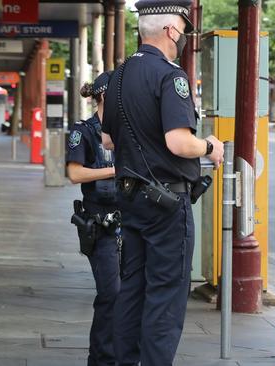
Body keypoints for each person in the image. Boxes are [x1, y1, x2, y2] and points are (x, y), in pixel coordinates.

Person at [101, 1, 224, 365]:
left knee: (132, 291)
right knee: (165, 297)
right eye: (184, 31)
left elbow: (107, 140)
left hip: (129, 199)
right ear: (172, 30)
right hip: (167, 204)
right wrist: (210, 147)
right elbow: (179, 143)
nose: (184, 37)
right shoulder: (172, 77)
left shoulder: (118, 76)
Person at [67, 71, 120, 366]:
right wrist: (116, 170)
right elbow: (74, 173)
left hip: (130, 224)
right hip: (100, 224)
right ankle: (101, 360)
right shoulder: (84, 131)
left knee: (129, 295)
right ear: (103, 96)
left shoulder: (128, 131)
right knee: (111, 293)